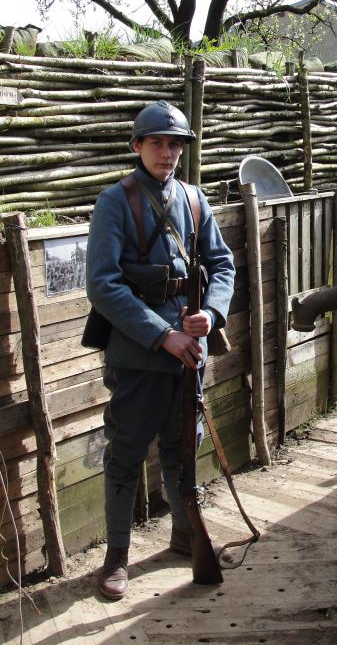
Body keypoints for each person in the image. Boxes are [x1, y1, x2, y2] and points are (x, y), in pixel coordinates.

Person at [86, 101, 235, 600]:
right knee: (126, 454)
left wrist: (209, 316)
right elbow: (104, 286)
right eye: (156, 143)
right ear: (137, 146)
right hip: (138, 354)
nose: (167, 152)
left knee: (181, 449)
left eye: (175, 144)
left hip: (189, 352)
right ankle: (116, 558)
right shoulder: (115, 202)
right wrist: (162, 334)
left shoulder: (194, 201)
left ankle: (183, 535)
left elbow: (222, 264)